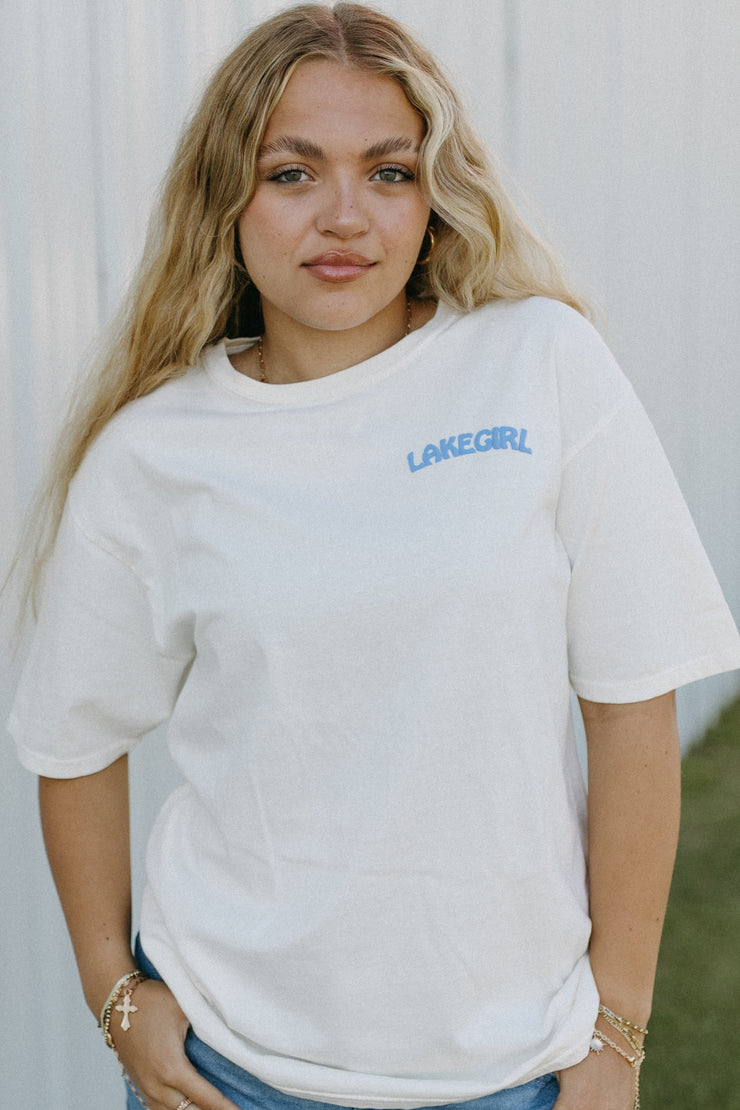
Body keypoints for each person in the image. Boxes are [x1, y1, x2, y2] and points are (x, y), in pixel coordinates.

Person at [7, 4, 740, 1110]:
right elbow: (71, 740)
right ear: (226, 197)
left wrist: (616, 1034)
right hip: (229, 1068)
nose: (344, 217)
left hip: (512, 1069)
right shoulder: (153, 455)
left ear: (432, 194)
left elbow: (632, 705)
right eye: (292, 174)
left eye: (388, 173)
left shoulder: (538, 366)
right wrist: (118, 995)